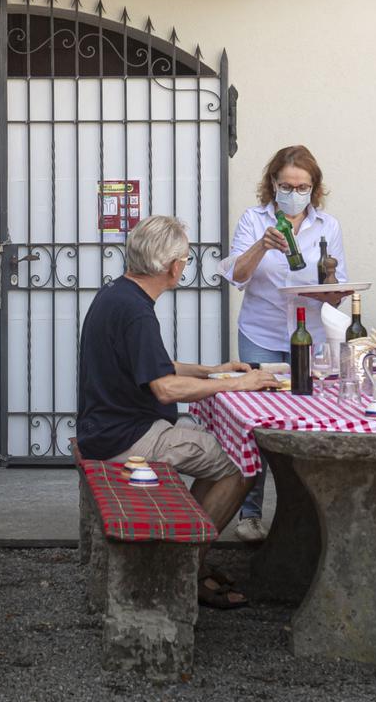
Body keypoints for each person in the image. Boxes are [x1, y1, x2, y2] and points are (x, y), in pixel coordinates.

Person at [77, 214, 282, 609]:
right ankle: (185, 569)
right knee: (241, 465)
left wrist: (215, 370)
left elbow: (157, 366)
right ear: (173, 267)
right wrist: (239, 383)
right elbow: (165, 387)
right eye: (185, 260)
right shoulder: (137, 312)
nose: (184, 267)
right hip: (125, 436)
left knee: (218, 455)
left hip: (106, 426)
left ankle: (187, 557)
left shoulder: (117, 295)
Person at [218, 145, 349, 543]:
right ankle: (250, 514)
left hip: (308, 335)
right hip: (260, 333)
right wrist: (263, 245)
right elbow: (235, 275)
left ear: (315, 188)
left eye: (303, 186)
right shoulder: (254, 220)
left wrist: (329, 281)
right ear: (273, 184)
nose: (295, 191)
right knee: (256, 423)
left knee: (309, 417)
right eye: (287, 185)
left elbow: (337, 292)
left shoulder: (328, 226)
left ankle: (309, 514)